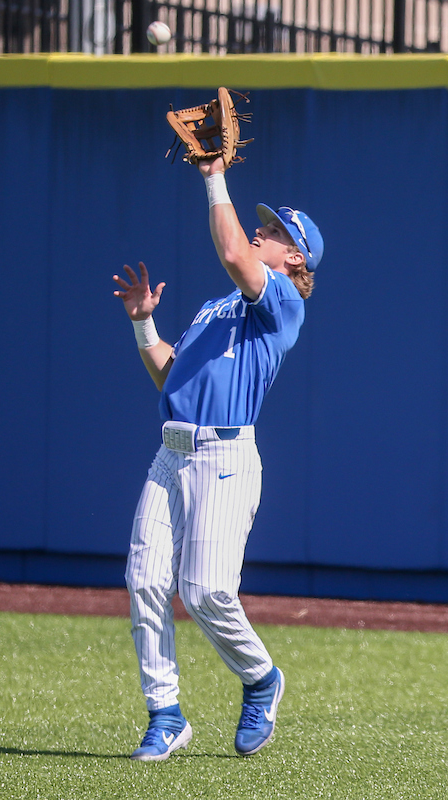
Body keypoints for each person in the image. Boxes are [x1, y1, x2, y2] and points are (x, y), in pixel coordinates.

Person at [111, 155, 323, 761]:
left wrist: (213, 176)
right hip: (171, 453)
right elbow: (172, 376)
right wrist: (144, 326)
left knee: (205, 592)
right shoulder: (217, 307)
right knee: (145, 580)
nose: (261, 231)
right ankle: (165, 714)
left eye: (274, 231)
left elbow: (232, 251)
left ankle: (261, 678)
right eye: (264, 225)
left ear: (295, 258)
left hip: (225, 458)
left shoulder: (282, 302)